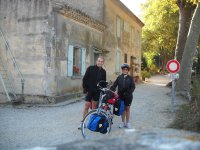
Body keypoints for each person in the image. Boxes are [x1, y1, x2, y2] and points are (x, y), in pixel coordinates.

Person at [78, 56, 106, 129]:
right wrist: (85, 88)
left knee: (94, 108)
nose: (100, 62)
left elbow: (103, 83)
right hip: (90, 90)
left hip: (97, 92)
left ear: (103, 63)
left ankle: (91, 123)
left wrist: (103, 91)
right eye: (99, 61)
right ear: (96, 61)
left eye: (101, 61)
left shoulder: (104, 72)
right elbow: (85, 78)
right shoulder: (90, 68)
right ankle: (82, 123)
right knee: (87, 106)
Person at [111, 63, 135, 129]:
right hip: (121, 96)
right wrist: (111, 90)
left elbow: (133, 87)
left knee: (127, 108)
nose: (125, 70)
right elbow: (114, 85)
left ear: (128, 70)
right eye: (123, 69)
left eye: (126, 69)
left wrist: (128, 93)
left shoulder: (130, 78)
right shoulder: (119, 77)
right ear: (122, 70)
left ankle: (127, 123)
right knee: (122, 109)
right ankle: (122, 122)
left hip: (128, 96)